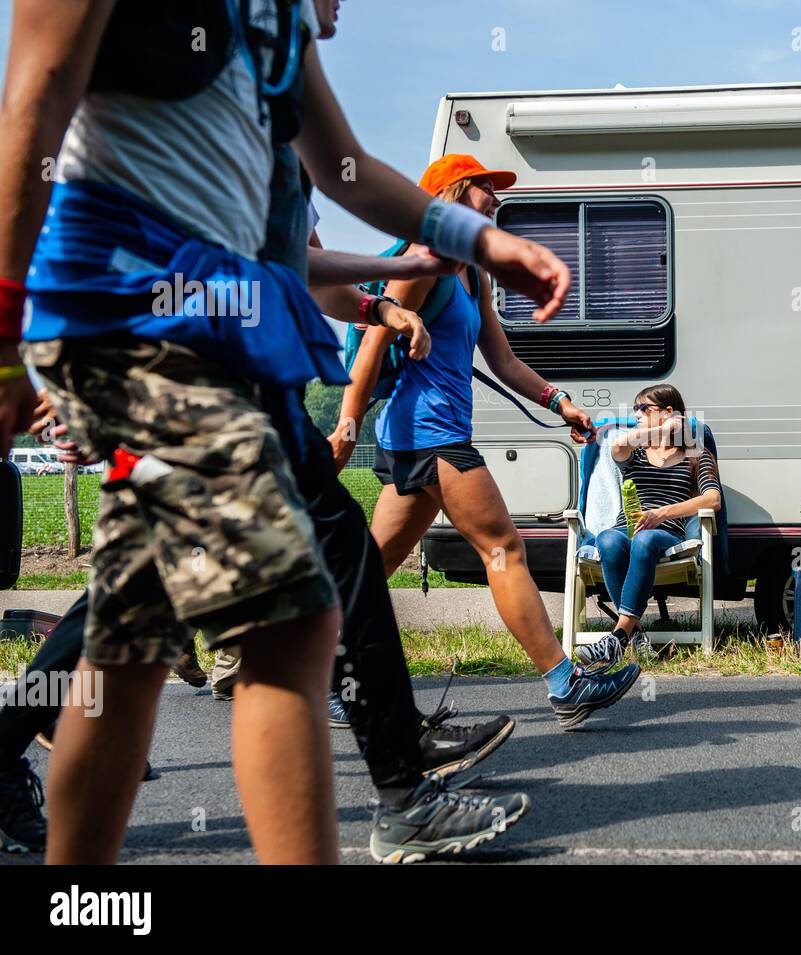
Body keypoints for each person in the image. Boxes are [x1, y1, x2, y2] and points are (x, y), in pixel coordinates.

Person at [0, 0, 569, 864]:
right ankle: (401, 790)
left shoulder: (272, 24)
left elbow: (344, 169)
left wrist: (476, 241)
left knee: (129, 644)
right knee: (292, 625)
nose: (339, 6)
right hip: (138, 309)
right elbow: (32, 104)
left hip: (235, 331)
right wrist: (5, 336)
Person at [335, 153, 643, 730]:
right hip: (430, 434)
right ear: (454, 193)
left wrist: (560, 402)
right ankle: (564, 683)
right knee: (504, 548)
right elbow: (377, 339)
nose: (497, 201)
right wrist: (346, 428)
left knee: (371, 568)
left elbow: (501, 359)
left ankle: (327, 675)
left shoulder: (471, 274)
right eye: (487, 190)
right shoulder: (422, 263)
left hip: (424, 437)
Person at [578, 384, 722, 670]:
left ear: (670, 411)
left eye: (644, 409)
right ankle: (634, 633)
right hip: (625, 527)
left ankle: (618, 636)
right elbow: (617, 447)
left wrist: (661, 514)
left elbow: (713, 499)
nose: (636, 415)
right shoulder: (637, 451)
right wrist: (663, 430)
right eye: (635, 409)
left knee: (643, 542)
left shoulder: (696, 454)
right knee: (607, 540)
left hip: (665, 531)